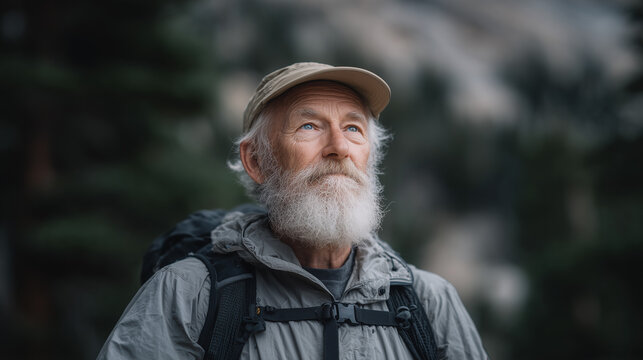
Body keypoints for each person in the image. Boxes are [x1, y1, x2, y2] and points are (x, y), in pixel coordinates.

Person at [97, 62, 488, 359]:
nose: (339, 147)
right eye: (309, 127)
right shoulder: (187, 293)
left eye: (354, 128)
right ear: (257, 161)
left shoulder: (429, 302)